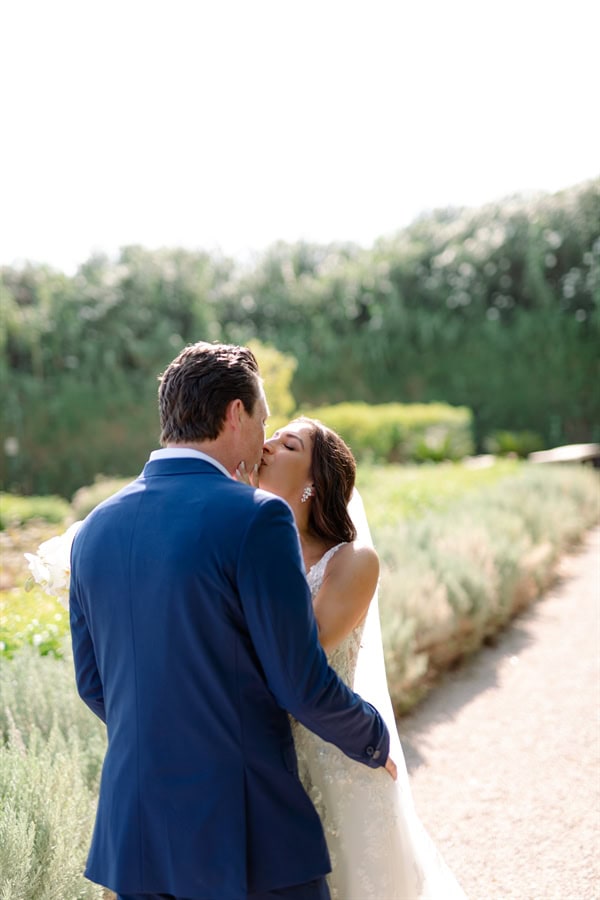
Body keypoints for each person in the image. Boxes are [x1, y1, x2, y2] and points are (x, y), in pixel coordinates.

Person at [69, 342, 395, 900]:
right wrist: (371, 736)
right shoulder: (257, 516)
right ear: (235, 414)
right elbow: (298, 679)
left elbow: (93, 683)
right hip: (247, 834)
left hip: (137, 836)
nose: (263, 438)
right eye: (263, 419)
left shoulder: (95, 527)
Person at [257, 417, 467, 900]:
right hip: (265, 760)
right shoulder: (245, 543)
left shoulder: (351, 562)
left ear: (314, 483)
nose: (267, 445)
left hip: (334, 759)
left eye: (288, 444)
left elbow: (298, 656)